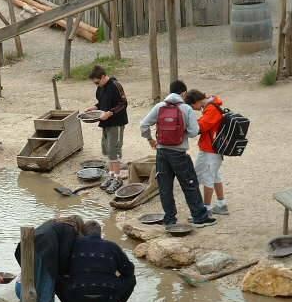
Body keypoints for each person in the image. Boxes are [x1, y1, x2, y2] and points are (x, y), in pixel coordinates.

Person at [139, 81, 216, 228]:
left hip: (161, 152)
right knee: (189, 184)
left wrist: (150, 139)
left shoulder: (159, 106)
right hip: (179, 153)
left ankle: (170, 219)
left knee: (165, 187)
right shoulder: (186, 108)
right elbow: (194, 132)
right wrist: (182, 131)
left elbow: (143, 124)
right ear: (183, 93)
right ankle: (199, 217)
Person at [56, 221, 136, 302]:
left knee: (56, 277)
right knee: (131, 278)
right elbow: (129, 271)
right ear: (100, 233)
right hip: (107, 299)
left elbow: (62, 269)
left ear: (82, 233)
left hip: (77, 298)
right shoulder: (112, 246)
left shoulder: (73, 245)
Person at [14, 215, 85, 302]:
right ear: (79, 226)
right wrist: (64, 273)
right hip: (44, 251)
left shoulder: (53, 223)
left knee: (34, 283)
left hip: (26, 247)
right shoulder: (70, 230)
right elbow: (64, 255)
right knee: (47, 284)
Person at [84, 65, 128, 194]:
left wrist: (110, 113)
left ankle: (118, 178)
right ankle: (111, 176)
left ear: (103, 77)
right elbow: (101, 102)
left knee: (114, 150)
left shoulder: (115, 85)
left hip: (116, 122)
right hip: (105, 123)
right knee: (107, 150)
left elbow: (123, 104)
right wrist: (93, 108)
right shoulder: (100, 88)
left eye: (97, 82)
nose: (96, 84)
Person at [185, 89, 229, 216]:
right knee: (215, 175)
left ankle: (206, 209)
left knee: (207, 177)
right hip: (212, 147)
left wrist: (189, 124)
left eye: (193, 106)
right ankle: (221, 204)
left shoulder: (212, 109)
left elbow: (201, 127)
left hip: (211, 148)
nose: (195, 109)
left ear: (197, 101)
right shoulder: (212, 105)